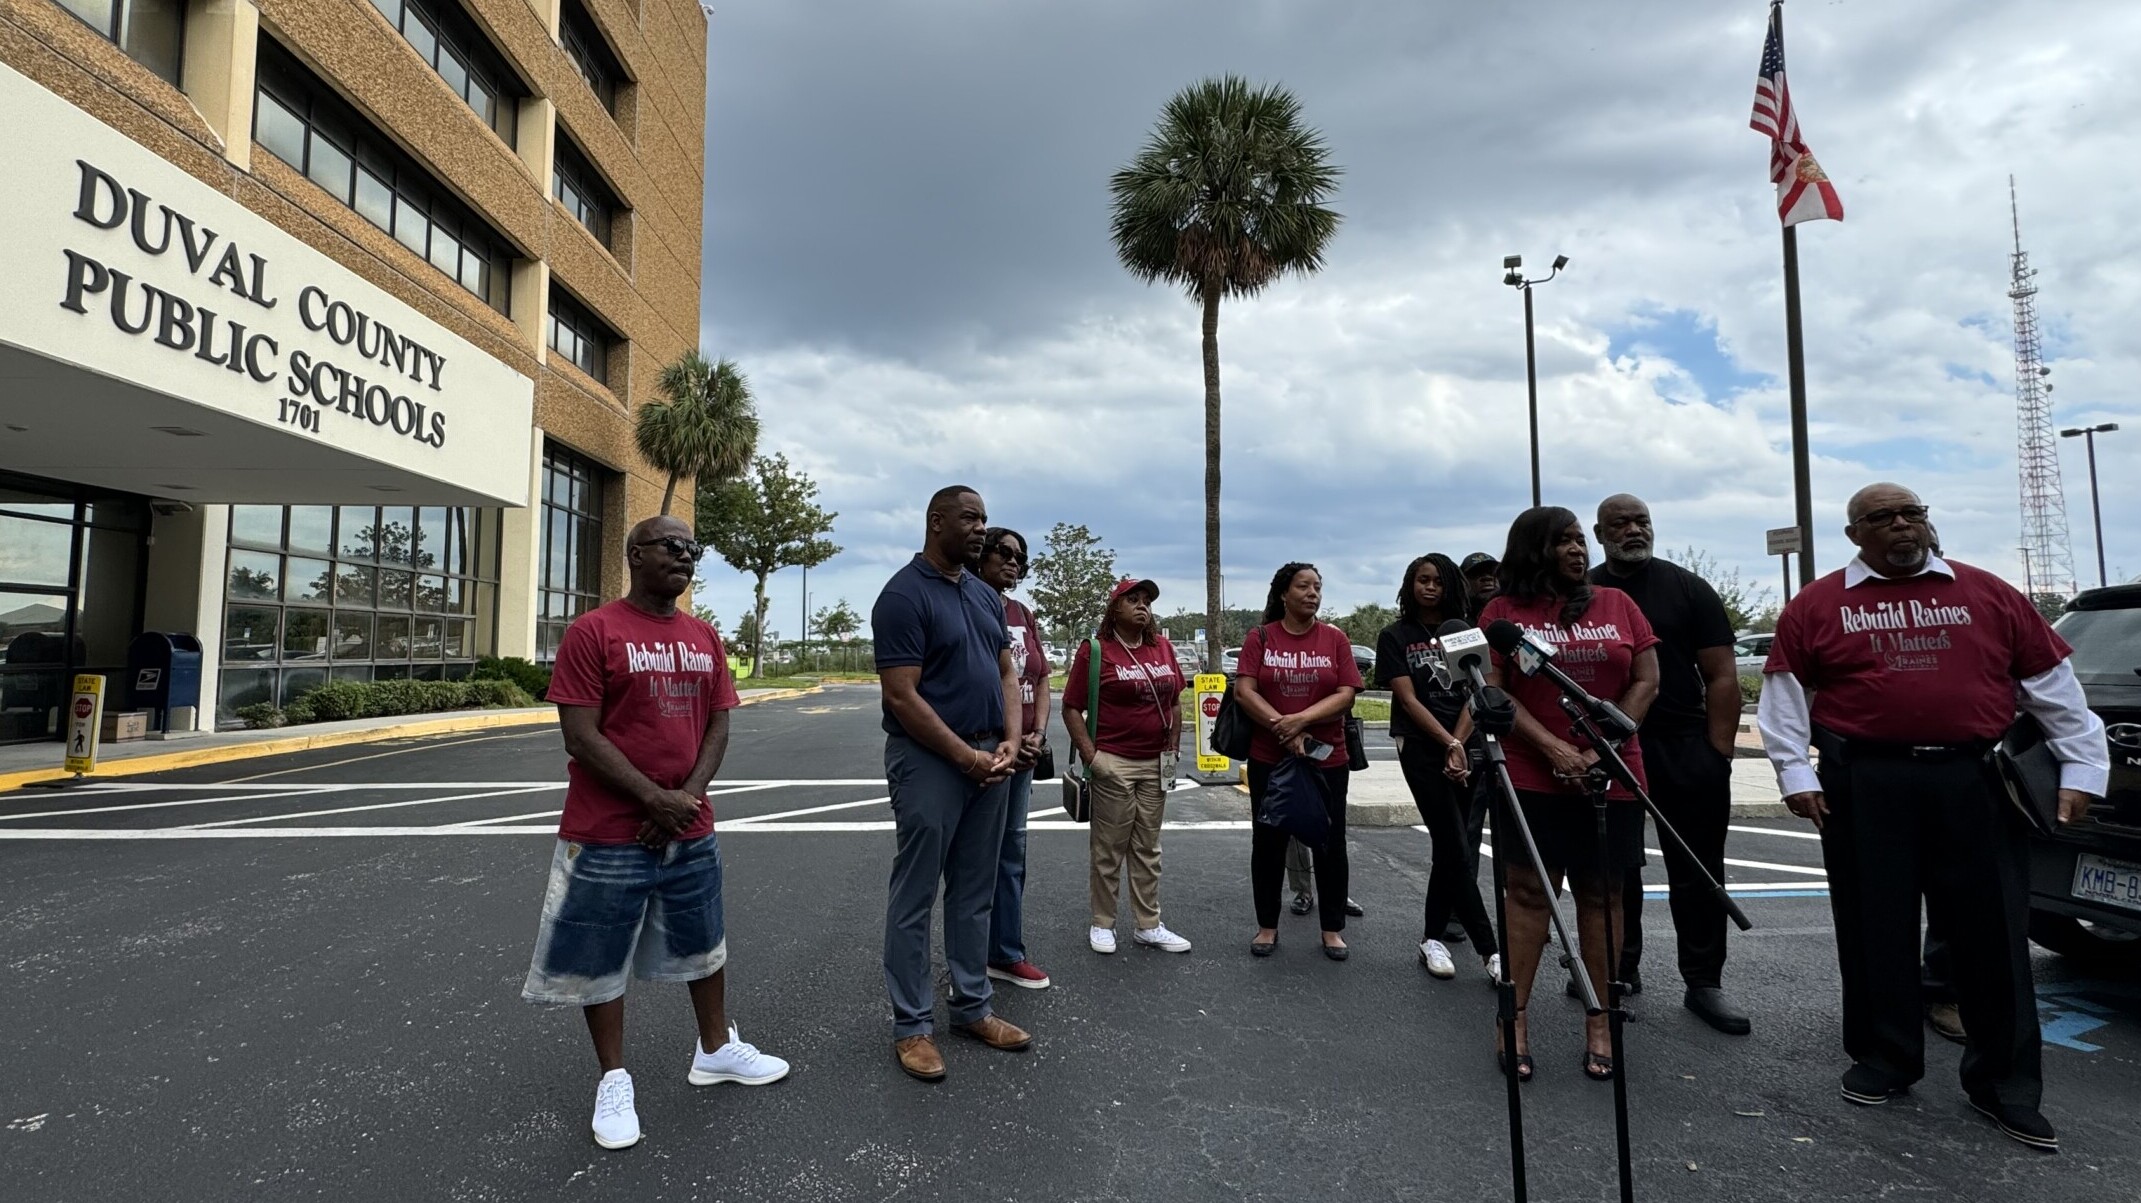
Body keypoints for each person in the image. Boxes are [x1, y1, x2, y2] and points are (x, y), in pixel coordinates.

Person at [1756, 482, 2107, 1152]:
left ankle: (2004, 1085)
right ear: (1854, 533)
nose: (1900, 525)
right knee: (1871, 924)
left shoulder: (1988, 593)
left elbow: (2051, 688)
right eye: (1880, 517)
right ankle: (1885, 1057)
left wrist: (2083, 769)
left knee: (1994, 933)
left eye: (1911, 513)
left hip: (1972, 778)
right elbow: (1784, 695)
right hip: (1864, 781)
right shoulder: (1818, 604)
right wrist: (1795, 774)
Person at [520, 515, 789, 1151]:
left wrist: (685, 799)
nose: (687, 557)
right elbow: (580, 735)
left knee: (704, 942)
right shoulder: (594, 632)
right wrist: (650, 797)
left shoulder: (703, 636)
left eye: (694, 549)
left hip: (688, 825)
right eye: (673, 547)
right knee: (599, 958)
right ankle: (614, 1078)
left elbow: (719, 723)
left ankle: (716, 1049)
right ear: (635, 554)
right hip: (609, 829)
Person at [1480, 507, 1660, 1082]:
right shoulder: (1503, 614)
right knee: (1529, 895)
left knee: (1604, 896)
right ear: (1534, 550)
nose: (1579, 550)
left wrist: (1595, 747)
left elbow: (1646, 679)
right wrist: (1555, 750)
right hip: (1532, 775)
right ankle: (1515, 1017)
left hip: (1612, 773)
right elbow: (1493, 690)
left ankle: (1601, 1019)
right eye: (1565, 541)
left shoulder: (1617, 604)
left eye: (1582, 540)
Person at [873, 486, 1032, 1083]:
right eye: (970, 519)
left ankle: (972, 1008)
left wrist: (1010, 742)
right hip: (931, 763)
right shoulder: (902, 595)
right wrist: (967, 756)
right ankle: (912, 1026)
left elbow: (1007, 669)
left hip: (990, 759)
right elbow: (901, 695)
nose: (981, 530)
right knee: (915, 895)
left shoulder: (985, 596)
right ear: (936, 522)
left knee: (975, 890)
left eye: (985, 520)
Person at [1588, 494, 1750, 1034]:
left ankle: (1704, 981)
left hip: (1685, 747)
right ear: (1599, 532)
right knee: (1614, 867)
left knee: (1698, 869)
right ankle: (1618, 969)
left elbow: (1723, 677)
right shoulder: (1584, 593)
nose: (1633, 530)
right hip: (1612, 745)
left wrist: (1717, 754)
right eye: (1621, 523)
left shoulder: (1688, 588)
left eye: (1642, 521)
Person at [1377, 553, 1499, 981]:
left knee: (1451, 847)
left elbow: (1477, 689)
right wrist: (1447, 743)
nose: (1429, 588)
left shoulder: (1466, 633)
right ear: (1410, 585)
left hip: (1466, 745)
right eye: (1421, 580)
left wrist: (1460, 741)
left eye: (1437, 581)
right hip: (1422, 747)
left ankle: (1432, 937)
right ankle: (1491, 951)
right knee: (1454, 844)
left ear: (1451, 586)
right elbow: (1408, 700)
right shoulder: (1395, 635)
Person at [1235, 563, 1364, 960]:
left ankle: (1332, 930)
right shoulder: (1261, 637)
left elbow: (1346, 695)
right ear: (1284, 593)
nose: (1312, 593)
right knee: (1269, 841)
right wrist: (1283, 728)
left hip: (1327, 758)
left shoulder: (1335, 639)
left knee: (1330, 841)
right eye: (1303, 586)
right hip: (1269, 759)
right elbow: (1244, 690)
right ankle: (1267, 927)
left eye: (1318, 587)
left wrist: (1302, 721)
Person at [1063, 577, 1193, 955]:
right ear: (1114, 609)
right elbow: (1071, 707)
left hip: (1156, 763)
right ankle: (1103, 923)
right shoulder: (1097, 651)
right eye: (1132, 599)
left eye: (1146, 601)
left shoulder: (1162, 647)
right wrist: (1092, 757)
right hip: (1114, 762)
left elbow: (1173, 702)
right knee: (1109, 847)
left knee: (1148, 847)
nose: (1142, 606)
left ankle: (1148, 924)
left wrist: (1173, 746)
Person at [977, 527, 1052, 991]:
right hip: (984, 751)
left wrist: (1037, 734)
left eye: (1020, 558)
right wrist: (1008, 735)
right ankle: (967, 963)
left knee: (1012, 855)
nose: (1013, 562)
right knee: (974, 858)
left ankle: (1004, 952)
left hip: (1023, 753)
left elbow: (1040, 679)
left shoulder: (1022, 613)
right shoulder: (966, 603)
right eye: (1003, 552)